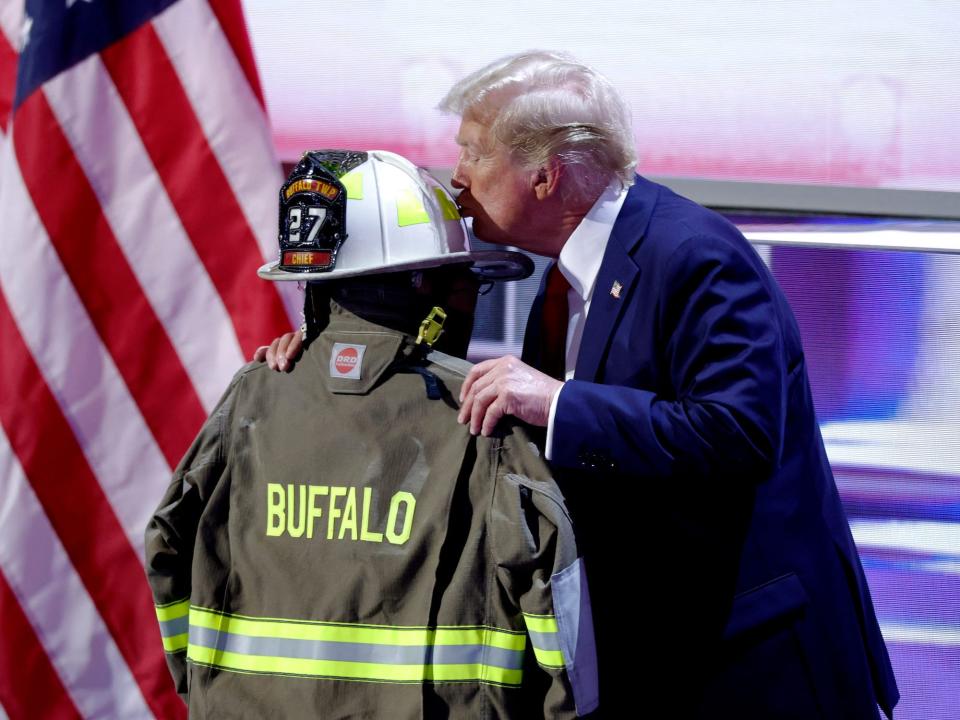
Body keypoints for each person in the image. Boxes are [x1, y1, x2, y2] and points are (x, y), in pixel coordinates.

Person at [255, 54, 899, 718]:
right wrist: (339, 352)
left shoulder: (696, 256)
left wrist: (556, 401)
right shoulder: (568, 272)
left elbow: (737, 433)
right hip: (651, 654)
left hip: (747, 665)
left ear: (545, 175)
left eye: (474, 153)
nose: (458, 177)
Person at [146, 149, 599, 718]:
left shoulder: (254, 395)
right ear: (420, 286)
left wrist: (209, 690)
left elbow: (167, 545)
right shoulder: (484, 416)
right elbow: (555, 595)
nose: (467, 300)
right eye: (460, 283)